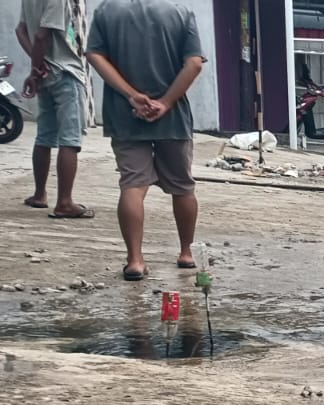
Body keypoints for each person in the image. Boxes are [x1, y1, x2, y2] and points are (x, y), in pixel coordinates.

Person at [85, 0, 207, 281]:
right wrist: (166, 102)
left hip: (125, 114)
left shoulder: (106, 11)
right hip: (173, 117)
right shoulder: (179, 12)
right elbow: (194, 63)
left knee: (132, 184)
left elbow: (94, 55)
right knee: (182, 186)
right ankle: (186, 252)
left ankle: (135, 261)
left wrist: (132, 95)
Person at [17, 0, 93, 219]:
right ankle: (64, 202)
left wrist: (37, 67)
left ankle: (39, 194)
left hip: (46, 74)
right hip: (66, 72)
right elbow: (42, 35)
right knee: (70, 139)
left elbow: (21, 31)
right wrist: (37, 67)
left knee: (45, 135)